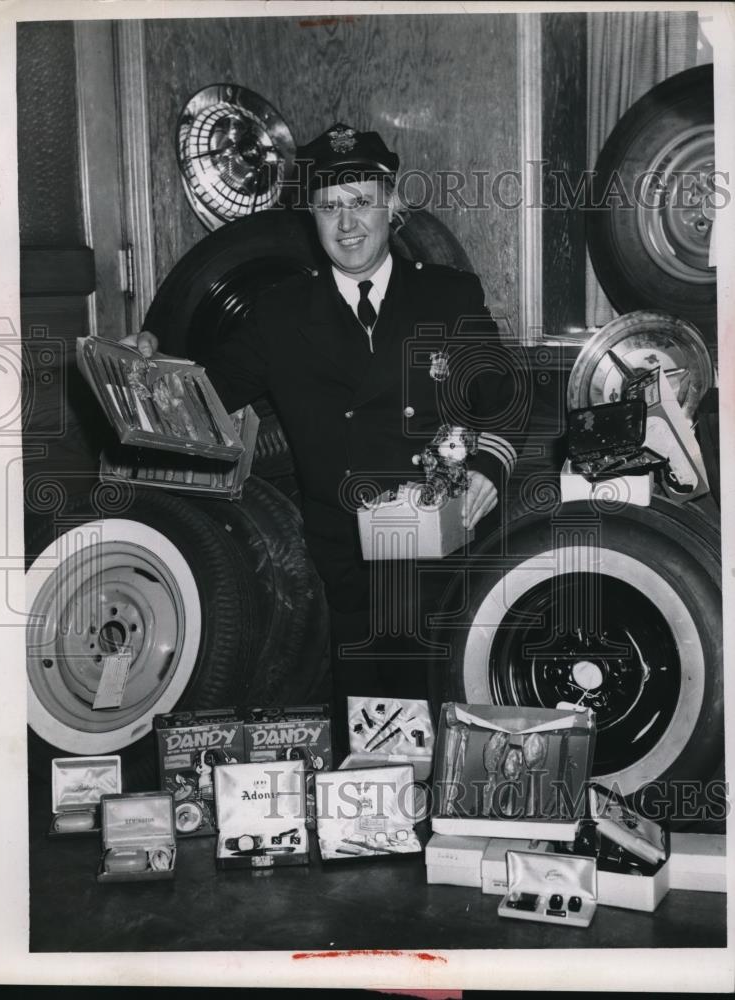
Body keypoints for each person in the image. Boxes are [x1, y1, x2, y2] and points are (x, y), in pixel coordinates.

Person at [122, 122, 520, 755]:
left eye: (362, 201)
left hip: (439, 553)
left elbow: (503, 400)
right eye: (330, 206)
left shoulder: (448, 296)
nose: (348, 223)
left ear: (392, 204)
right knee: (372, 743)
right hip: (347, 556)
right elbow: (206, 396)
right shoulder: (278, 313)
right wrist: (144, 366)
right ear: (310, 216)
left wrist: (488, 470)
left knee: (446, 727)